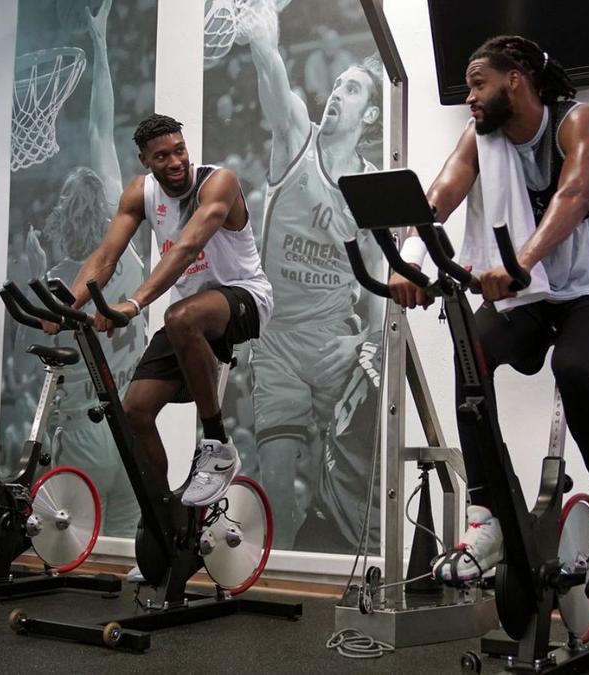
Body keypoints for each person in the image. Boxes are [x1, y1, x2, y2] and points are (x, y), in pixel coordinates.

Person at [389, 35, 589, 598]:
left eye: (479, 84)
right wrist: (409, 260)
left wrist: (519, 261)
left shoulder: (578, 122)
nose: (469, 97)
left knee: (574, 368)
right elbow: (440, 195)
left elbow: (573, 196)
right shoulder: (481, 138)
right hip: (530, 297)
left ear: (516, 80)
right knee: (470, 351)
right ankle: (488, 516)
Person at [49, 113, 272, 517]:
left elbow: (186, 248)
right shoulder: (140, 193)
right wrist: (68, 307)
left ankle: (217, 445)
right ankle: (163, 519)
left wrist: (133, 305)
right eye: (162, 156)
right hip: (189, 315)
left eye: (180, 151)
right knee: (134, 410)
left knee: (180, 316)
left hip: (244, 299)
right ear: (144, 160)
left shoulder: (219, 182)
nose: (175, 162)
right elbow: (105, 257)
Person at [239, 0, 386, 550]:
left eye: (352, 91)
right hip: (277, 344)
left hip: (333, 344)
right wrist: (262, 38)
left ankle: (346, 558)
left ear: (369, 116)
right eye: (337, 86)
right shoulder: (296, 142)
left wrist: (363, 343)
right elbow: (275, 82)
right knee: (275, 483)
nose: (336, 96)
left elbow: (376, 276)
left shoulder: (373, 186)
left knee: (355, 483)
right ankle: (281, 586)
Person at [19, 0, 147, 537]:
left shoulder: (66, 275)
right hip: (133, 420)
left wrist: (36, 269)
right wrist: (100, 47)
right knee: (120, 539)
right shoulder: (128, 248)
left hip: (88, 424)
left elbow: (50, 324)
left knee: (72, 538)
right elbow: (101, 125)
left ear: (60, 217)